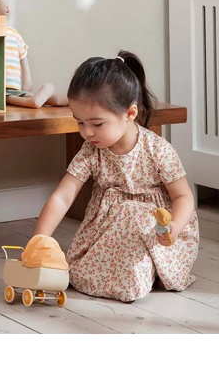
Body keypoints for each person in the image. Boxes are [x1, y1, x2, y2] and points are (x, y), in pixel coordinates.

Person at [27, 51, 199, 303]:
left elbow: (183, 196)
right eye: (79, 123)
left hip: (158, 232)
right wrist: (38, 241)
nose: (87, 132)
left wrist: (175, 226)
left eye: (97, 124)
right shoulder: (91, 150)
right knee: (78, 275)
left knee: (131, 225)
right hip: (109, 230)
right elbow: (63, 197)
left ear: (130, 114)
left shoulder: (157, 149)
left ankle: (147, 271)